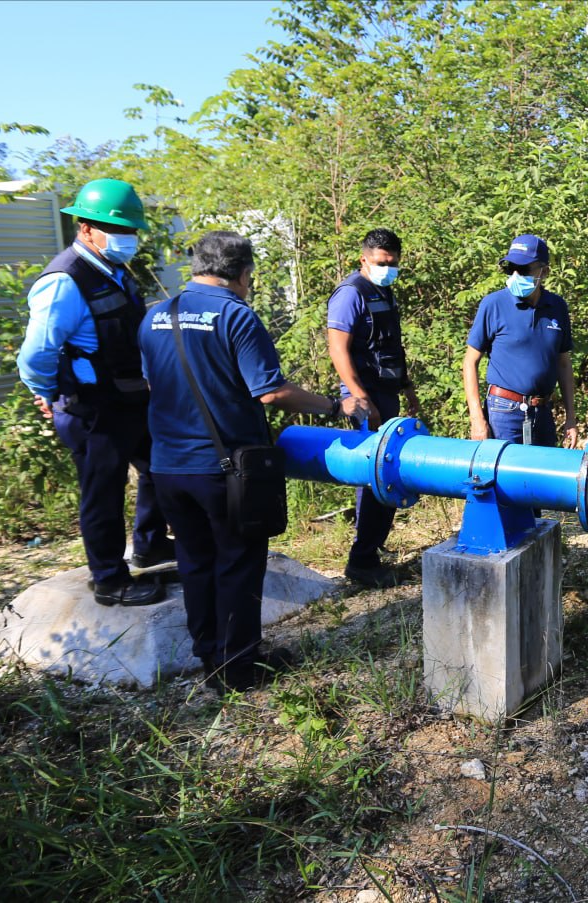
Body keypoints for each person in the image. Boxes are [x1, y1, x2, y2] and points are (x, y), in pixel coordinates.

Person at [140, 231, 370, 693]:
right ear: (244, 273)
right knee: (238, 564)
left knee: (195, 562)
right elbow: (270, 391)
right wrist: (332, 406)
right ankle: (239, 668)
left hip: (166, 467)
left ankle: (209, 653)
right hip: (222, 469)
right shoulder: (236, 317)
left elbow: (154, 382)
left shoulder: (155, 316)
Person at [16, 178, 173, 608]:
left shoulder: (115, 271)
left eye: (131, 232)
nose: (129, 240)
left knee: (161, 465)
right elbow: (35, 354)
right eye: (119, 231)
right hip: (91, 407)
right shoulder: (64, 281)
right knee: (102, 491)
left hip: (129, 399)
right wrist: (48, 393)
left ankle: (150, 545)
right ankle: (109, 579)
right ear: (85, 228)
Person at [327, 228, 420, 589]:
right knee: (377, 474)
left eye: (394, 262)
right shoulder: (351, 294)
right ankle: (362, 560)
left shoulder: (385, 290)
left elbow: (391, 346)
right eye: (382, 262)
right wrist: (359, 397)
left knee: (386, 471)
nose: (389, 268)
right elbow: (338, 349)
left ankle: (371, 548)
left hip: (387, 391)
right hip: (364, 395)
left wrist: (407, 388)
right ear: (364, 258)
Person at [463, 234, 578, 449]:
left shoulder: (557, 307)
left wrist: (571, 417)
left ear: (544, 272)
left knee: (542, 477)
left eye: (524, 269)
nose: (516, 274)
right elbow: (470, 362)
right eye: (510, 268)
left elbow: (563, 363)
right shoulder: (494, 304)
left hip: (543, 410)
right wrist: (477, 419)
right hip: (503, 411)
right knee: (503, 478)